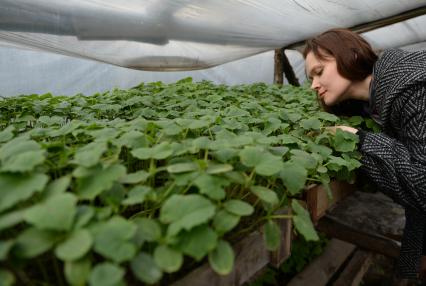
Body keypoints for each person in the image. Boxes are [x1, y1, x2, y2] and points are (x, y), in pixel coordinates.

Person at [303, 28, 426, 280]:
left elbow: (422, 185)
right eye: (310, 79)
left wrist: (359, 138)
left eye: (319, 72)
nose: (314, 85)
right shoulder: (376, 103)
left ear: (349, 55)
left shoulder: (413, 89)